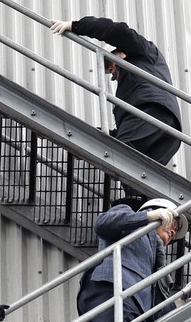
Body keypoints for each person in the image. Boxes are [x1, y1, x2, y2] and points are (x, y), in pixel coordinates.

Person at [50, 14, 182, 190]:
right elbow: (125, 132)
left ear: (122, 53)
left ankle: (130, 210)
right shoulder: (133, 87)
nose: (113, 74)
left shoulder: (144, 52)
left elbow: (117, 31)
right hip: (167, 129)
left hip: (150, 112)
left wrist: (76, 26)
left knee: (121, 157)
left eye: (112, 67)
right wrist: (98, 136)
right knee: (136, 178)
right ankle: (142, 212)